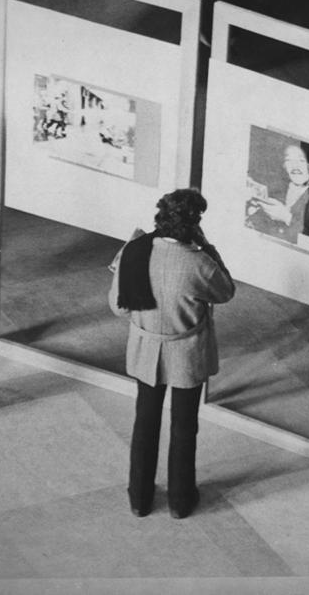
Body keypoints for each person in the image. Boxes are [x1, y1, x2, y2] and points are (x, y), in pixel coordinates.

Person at [108, 188, 235, 519]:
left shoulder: (134, 251)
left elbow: (118, 309)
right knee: (184, 426)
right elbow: (226, 291)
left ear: (159, 215)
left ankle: (140, 498)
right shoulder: (198, 263)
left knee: (144, 423)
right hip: (187, 354)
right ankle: (180, 501)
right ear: (194, 223)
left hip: (145, 349)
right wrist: (207, 246)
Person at [245, 143, 309, 244]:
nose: (295, 165)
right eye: (289, 160)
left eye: (301, 160)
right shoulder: (276, 190)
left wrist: (287, 217)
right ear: (285, 167)